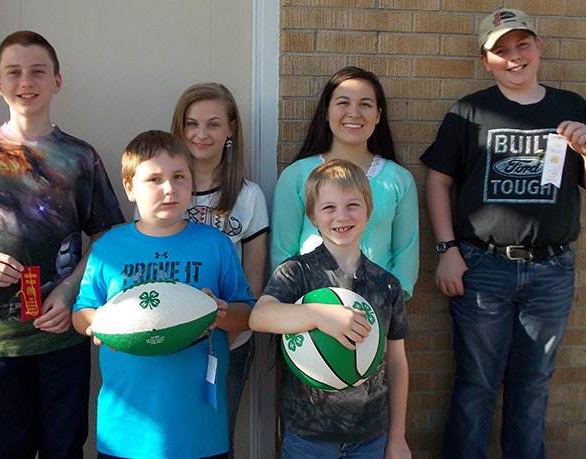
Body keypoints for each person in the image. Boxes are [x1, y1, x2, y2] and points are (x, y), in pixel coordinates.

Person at [0, 31, 124, 458]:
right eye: (14, 72)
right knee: (8, 449)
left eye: (38, 71)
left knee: (64, 447)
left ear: (56, 81)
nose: (27, 81)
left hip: (63, 331)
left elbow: (106, 236)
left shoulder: (81, 158)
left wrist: (70, 289)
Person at [421, 8, 586, 459]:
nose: (515, 57)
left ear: (539, 47)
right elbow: (438, 180)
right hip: (481, 267)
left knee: (532, 387)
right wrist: (446, 248)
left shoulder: (571, 107)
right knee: (475, 384)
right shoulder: (470, 110)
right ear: (485, 59)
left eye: (523, 45)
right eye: (502, 50)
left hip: (551, 270)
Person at [72, 130, 254, 459]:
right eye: (154, 179)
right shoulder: (108, 248)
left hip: (199, 430)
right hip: (125, 430)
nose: (169, 189)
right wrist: (98, 322)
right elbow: (81, 313)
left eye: (179, 177)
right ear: (129, 187)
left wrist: (219, 313)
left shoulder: (215, 244)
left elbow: (246, 314)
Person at [250, 159, 411, 459]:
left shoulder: (387, 284)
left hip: (371, 435)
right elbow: (259, 316)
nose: (342, 216)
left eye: (352, 205)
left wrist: (398, 436)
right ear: (312, 216)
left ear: (369, 211)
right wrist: (319, 315)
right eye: (328, 208)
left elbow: (398, 364)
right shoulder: (297, 272)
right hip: (308, 435)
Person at [170, 82, 269, 457]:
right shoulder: (160, 190)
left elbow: (253, 283)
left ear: (230, 129)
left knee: (216, 444)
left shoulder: (249, 196)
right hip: (171, 340)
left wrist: (226, 336)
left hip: (229, 341)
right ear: (179, 129)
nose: (201, 134)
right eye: (191, 123)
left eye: (213, 124)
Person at [270, 66, 419, 298]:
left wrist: (387, 303)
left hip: (377, 312)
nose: (354, 112)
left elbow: (406, 254)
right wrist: (301, 306)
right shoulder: (297, 175)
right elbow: (282, 251)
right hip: (311, 309)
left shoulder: (399, 180)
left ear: (378, 115)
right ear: (326, 111)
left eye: (365, 104)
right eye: (343, 103)